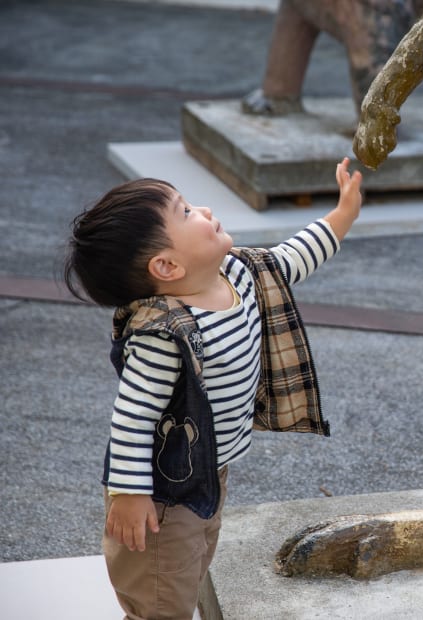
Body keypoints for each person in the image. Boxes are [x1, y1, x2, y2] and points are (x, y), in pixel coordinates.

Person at [64, 158, 363, 620]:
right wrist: (128, 494)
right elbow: (132, 416)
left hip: (208, 472)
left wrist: (342, 214)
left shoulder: (238, 273)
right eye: (185, 213)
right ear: (166, 265)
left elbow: (292, 258)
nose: (203, 210)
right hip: (161, 494)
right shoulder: (165, 334)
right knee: (161, 592)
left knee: (194, 562)